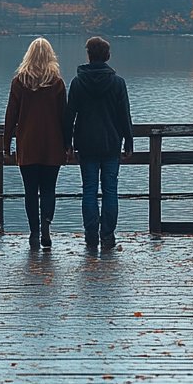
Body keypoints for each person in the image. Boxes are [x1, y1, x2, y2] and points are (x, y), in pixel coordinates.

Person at [64, 36, 133, 251]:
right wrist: (129, 141)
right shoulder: (118, 82)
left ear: (88, 55)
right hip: (111, 143)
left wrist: (68, 143)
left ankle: (91, 237)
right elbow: (124, 115)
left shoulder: (77, 82)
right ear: (107, 56)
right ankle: (108, 237)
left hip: (85, 144)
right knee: (110, 191)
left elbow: (69, 116)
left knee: (89, 190)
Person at [4, 37, 68, 250]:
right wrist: (68, 145)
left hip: (27, 143)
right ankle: (46, 227)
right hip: (52, 144)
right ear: (50, 56)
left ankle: (34, 232)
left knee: (30, 190)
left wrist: (6, 144)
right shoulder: (57, 83)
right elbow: (64, 117)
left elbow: (11, 115)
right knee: (49, 188)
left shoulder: (19, 82)